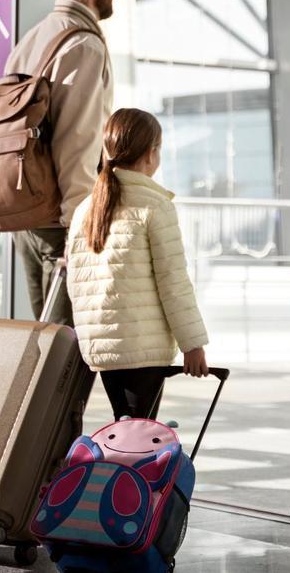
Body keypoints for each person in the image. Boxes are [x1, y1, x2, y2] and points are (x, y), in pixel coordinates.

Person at [66, 108, 211, 422]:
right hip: (141, 346)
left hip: (102, 347)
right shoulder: (154, 206)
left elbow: (75, 284)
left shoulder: (86, 208)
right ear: (151, 153)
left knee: (126, 430)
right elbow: (173, 281)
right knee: (137, 439)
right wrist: (193, 344)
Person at [4, 0, 118, 327]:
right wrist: (80, 230)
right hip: (60, 225)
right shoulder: (83, 44)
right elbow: (78, 143)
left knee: (45, 349)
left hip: (26, 219)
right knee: (67, 360)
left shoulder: (32, 39)